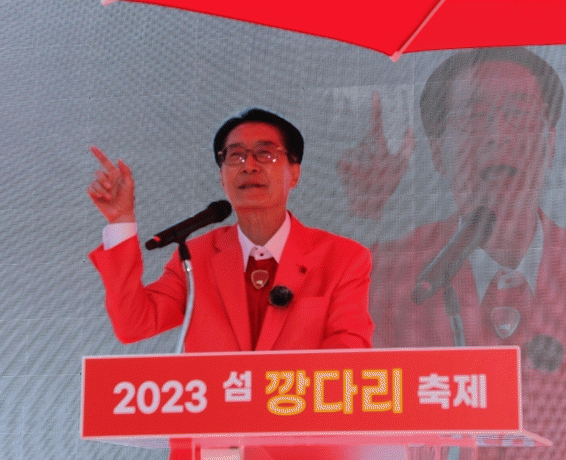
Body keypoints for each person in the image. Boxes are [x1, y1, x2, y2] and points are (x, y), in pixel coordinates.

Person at [340, 47, 566, 459]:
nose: (498, 135)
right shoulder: (382, 279)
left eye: (518, 114)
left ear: (550, 143)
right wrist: (365, 211)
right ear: (437, 152)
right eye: (474, 117)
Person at [88, 108, 374, 459]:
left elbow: (347, 360)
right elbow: (134, 323)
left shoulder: (343, 258)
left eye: (265, 153)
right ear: (222, 178)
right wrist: (120, 221)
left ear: (295, 172)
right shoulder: (196, 257)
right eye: (235, 156)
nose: (248, 165)